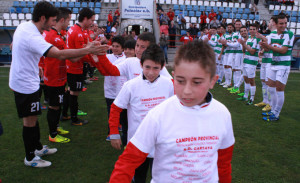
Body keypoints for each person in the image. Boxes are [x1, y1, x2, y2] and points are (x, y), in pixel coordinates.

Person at [109, 41, 235, 183]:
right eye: (180, 81)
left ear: (213, 81)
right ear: (173, 76)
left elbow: (223, 164)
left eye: (197, 82)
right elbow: (127, 163)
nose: (187, 90)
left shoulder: (222, 114)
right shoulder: (158, 115)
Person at [9, 1, 106, 168]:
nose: (55, 23)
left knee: (34, 118)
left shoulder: (24, 27)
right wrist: (88, 50)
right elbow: (60, 55)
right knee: (29, 121)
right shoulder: (32, 35)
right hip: (25, 84)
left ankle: (38, 148)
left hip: (27, 80)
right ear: (43, 18)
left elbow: (13, 46)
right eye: (53, 20)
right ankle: (30, 157)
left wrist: (31, 63)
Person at [109, 44, 174, 183]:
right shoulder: (131, 86)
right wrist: (114, 132)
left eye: (156, 68)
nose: (151, 72)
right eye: (147, 67)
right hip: (138, 143)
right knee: (138, 178)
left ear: (162, 67)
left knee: (162, 178)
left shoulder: (169, 84)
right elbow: (115, 108)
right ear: (141, 64)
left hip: (161, 143)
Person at [43, 7, 73, 143]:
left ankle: (55, 127)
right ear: (62, 20)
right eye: (68, 20)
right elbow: (67, 54)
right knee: (54, 106)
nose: (69, 23)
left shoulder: (57, 35)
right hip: (54, 76)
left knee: (57, 104)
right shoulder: (53, 36)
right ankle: (53, 135)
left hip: (58, 75)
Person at [66, 7, 99, 126]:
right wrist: (93, 60)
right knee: (74, 93)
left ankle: (66, 113)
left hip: (74, 66)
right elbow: (81, 52)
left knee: (71, 91)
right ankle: (74, 118)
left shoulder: (77, 30)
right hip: (74, 67)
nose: (92, 23)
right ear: (85, 19)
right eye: (91, 20)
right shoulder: (77, 32)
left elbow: (85, 48)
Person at [93, 32, 172, 81]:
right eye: (137, 45)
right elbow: (112, 71)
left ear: (151, 48)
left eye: (143, 47)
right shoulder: (130, 61)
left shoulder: (156, 65)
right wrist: (101, 55)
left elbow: (171, 84)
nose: (138, 49)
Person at [259, 14, 294, 121]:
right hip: (273, 64)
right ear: (276, 24)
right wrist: (263, 46)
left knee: (279, 89)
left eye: (285, 23)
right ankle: (273, 110)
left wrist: (268, 46)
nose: (283, 26)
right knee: (270, 87)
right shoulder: (273, 34)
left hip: (283, 66)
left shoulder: (289, 34)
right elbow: (268, 49)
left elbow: (284, 50)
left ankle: (276, 114)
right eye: (281, 23)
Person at [104, 36, 126, 141]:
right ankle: (110, 132)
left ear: (123, 48)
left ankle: (120, 124)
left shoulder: (126, 58)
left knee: (121, 110)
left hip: (121, 89)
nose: (115, 48)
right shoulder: (108, 57)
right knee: (111, 111)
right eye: (113, 46)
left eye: (118, 46)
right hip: (109, 89)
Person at [254, 16, 276, 111]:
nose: (268, 24)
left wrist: (261, 37)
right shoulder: (270, 35)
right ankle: (265, 100)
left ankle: (270, 104)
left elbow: (269, 45)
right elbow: (267, 47)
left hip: (270, 62)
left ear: (274, 23)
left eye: (270, 22)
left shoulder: (274, 35)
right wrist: (262, 50)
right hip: (264, 61)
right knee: (263, 82)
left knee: (269, 83)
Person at [236, 25, 260, 105]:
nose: (252, 30)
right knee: (246, 80)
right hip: (246, 61)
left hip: (252, 62)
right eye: (251, 29)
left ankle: (251, 99)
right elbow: (244, 50)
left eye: (254, 29)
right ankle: (246, 96)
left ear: (257, 30)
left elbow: (252, 51)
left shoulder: (257, 39)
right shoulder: (249, 38)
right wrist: (243, 44)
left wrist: (244, 44)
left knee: (251, 81)